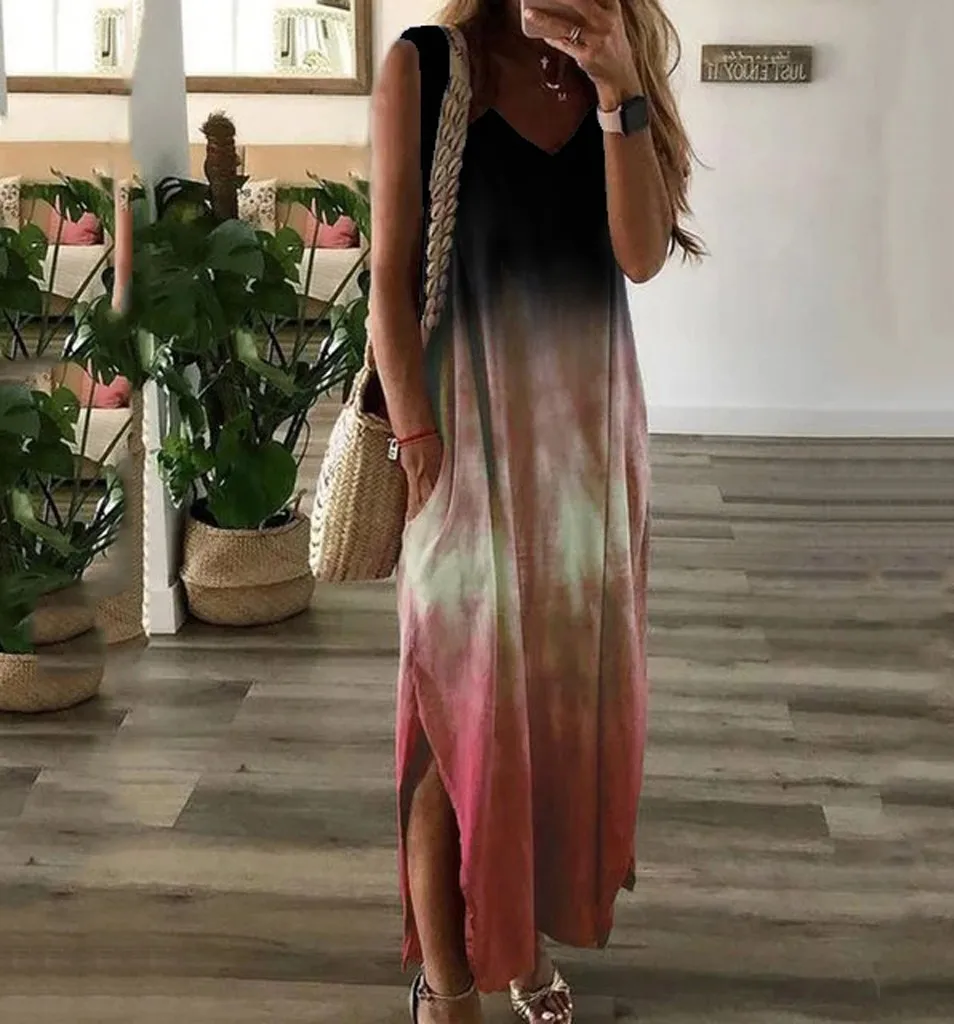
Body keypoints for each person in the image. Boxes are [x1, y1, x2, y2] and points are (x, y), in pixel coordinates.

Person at [369, 0, 702, 1020]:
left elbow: (638, 255)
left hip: (585, 462)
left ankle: (517, 944)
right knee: (452, 716)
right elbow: (387, 281)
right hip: (460, 445)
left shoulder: (616, 68)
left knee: (550, 719)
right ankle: (446, 988)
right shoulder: (427, 67)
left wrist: (618, 88)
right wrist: (417, 443)